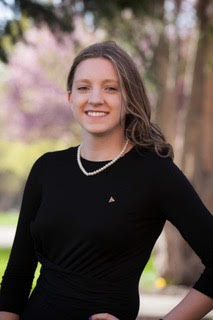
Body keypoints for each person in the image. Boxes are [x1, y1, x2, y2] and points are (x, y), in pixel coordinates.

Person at [0, 41, 212, 320]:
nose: (95, 98)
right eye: (84, 87)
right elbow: (17, 275)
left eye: (111, 88)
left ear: (129, 98)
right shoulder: (46, 168)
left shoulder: (155, 173)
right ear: (70, 98)